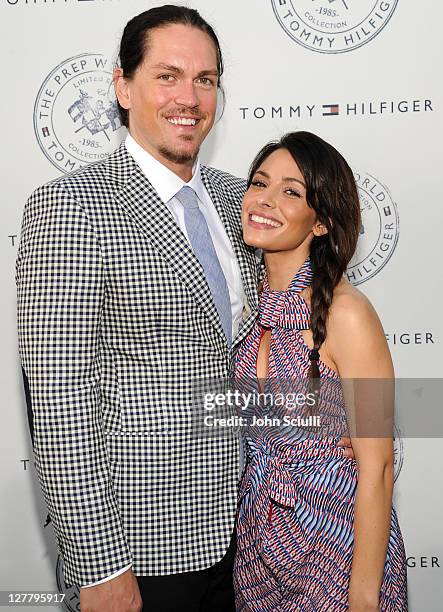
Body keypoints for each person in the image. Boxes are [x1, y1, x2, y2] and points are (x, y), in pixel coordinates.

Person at [15, 7, 354, 612]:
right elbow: (60, 406)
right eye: (168, 76)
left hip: (260, 533)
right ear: (123, 85)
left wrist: (354, 419)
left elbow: (296, 330)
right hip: (143, 551)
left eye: (206, 79)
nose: (190, 98)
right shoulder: (71, 207)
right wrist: (99, 570)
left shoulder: (240, 200)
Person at [233, 131, 408, 611]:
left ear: (323, 222)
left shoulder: (346, 314)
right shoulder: (249, 313)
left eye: (291, 191)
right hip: (258, 555)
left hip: (336, 549)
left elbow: (378, 465)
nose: (265, 200)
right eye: (259, 183)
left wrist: (364, 598)